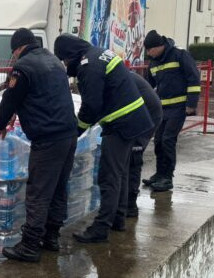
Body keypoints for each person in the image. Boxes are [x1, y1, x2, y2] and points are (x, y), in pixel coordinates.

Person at [54, 34, 156, 244]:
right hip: (132, 119)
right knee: (120, 173)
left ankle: (101, 228)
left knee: (109, 176)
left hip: (122, 123)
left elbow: (91, 106)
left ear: (71, 55)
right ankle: (118, 218)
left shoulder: (88, 65)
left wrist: (76, 131)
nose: (65, 64)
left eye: (64, 60)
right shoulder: (98, 54)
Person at [0, 28, 78, 262]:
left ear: (18, 48)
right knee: (59, 187)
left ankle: (30, 245)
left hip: (48, 137)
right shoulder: (54, 61)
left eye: (14, 52)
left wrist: (1, 123)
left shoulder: (23, 67)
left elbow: (10, 99)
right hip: (69, 133)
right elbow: (41, 96)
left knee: (38, 191)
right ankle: (51, 237)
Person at [141, 30, 201, 192]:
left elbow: (194, 78)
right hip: (162, 109)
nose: (148, 53)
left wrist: (191, 104)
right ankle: (159, 174)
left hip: (179, 107)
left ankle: (167, 177)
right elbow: (147, 85)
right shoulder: (153, 62)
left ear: (159, 46)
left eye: (150, 49)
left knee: (168, 139)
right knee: (159, 141)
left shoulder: (180, 55)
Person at [115, 72, 163, 226]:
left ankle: (130, 205)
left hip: (146, 116)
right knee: (128, 159)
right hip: (142, 113)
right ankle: (126, 204)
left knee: (133, 160)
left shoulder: (119, 78)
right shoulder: (119, 75)